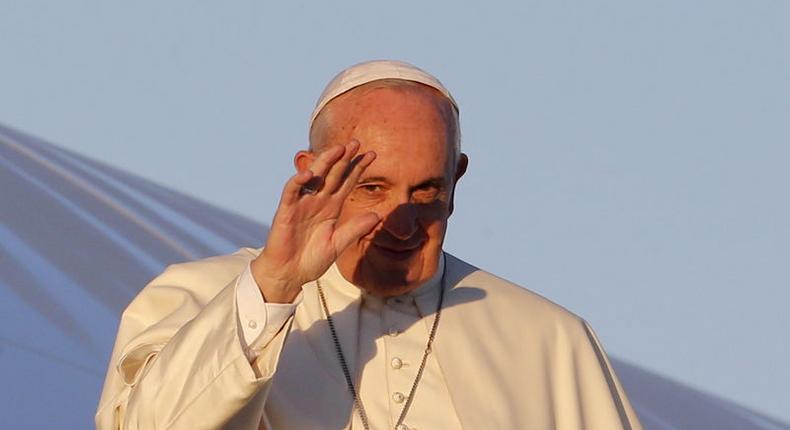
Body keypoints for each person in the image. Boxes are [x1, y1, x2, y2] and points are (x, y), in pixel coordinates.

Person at [96, 60, 643, 430]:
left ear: (458, 179)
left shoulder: (545, 340)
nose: (400, 224)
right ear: (312, 173)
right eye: (372, 189)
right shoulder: (200, 296)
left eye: (427, 191)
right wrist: (275, 287)